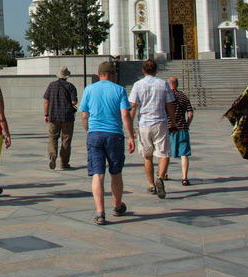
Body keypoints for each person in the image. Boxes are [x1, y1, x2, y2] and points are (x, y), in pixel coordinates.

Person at [80, 61, 136, 225]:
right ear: (113, 74)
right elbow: (125, 115)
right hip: (114, 134)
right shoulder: (119, 90)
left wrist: (89, 131)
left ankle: (100, 212)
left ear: (99, 74)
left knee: (98, 174)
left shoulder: (89, 89)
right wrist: (131, 136)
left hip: (95, 134)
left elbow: (84, 115)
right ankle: (117, 206)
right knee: (115, 172)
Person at [129, 59, 177, 198]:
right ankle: (160, 178)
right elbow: (169, 105)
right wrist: (173, 123)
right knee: (164, 154)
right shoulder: (163, 84)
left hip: (144, 124)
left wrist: (130, 126)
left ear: (143, 71)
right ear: (156, 70)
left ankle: (151, 185)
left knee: (147, 156)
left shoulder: (138, 85)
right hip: (160, 122)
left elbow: (133, 106)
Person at [43, 65, 78, 169]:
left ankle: (52, 154)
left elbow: (46, 101)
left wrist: (46, 114)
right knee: (66, 138)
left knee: (53, 137)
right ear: (67, 76)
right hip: (67, 116)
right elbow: (74, 101)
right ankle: (64, 162)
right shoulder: (70, 86)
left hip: (53, 116)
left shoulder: (51, 85)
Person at [165, 77, 194, 185]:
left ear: (168, 85)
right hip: (182, 128)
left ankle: (164, 173)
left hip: (169, 128)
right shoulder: (183, 96)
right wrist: (187, 124)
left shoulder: (167, 97)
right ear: (177, 84)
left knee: (165, 153)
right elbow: (190, 113)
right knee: (184, 154)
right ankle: (185, 177)